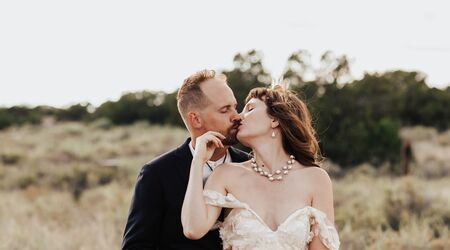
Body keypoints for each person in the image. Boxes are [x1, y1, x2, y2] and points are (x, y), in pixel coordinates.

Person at [181, 84, 340, 250]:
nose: (237, 117)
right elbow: (193, 229)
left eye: (249, 109)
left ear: (274, 119)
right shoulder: (226, 175)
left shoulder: (316, 179)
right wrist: (197, 160)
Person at [122, 69, 249, 250]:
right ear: (196, 119)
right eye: (225, 110)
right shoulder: (157, 173)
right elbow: (136, 246)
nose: (236, 116)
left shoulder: (249, 165)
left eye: (234, 106)